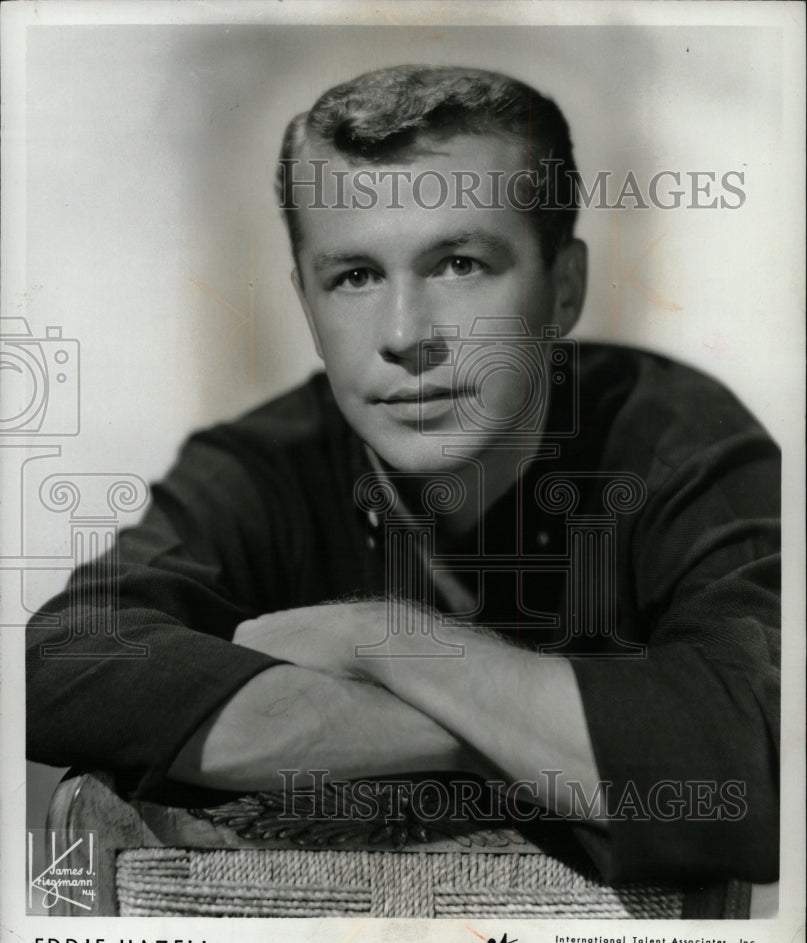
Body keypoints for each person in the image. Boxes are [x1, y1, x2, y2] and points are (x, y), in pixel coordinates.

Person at [26, 65, 779, 886]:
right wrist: (507, 737)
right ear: (307, 305)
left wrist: (380, 641)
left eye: (457, 263)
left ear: (563, 287)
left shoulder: (676, 438)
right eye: (353, 277)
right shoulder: (261, 462)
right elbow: (64, 660)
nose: (402, 333)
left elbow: (756, 766)